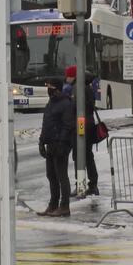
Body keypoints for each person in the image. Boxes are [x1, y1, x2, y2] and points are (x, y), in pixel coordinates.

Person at [37, 78, 74, 217]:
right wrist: (41, 141)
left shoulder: (66, 103)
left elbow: (68, 125)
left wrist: (62, 142)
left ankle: (64, 206)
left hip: (61, 145)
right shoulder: (51, 102)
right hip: (50, 144)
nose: (48, 89)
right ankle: (53, 205)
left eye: (50, 86)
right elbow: (46, 123)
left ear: (57, 88)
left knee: (61, 176)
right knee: (51, 175)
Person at [64, 65, 99, 196]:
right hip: (86, 123)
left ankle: (81, 184)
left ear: (72, 76)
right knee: (87, 155)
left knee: (79, 154)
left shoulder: (77, 88)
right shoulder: (85, 86)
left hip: (80, 124)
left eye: (67, 75)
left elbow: (75, 107)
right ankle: (91, 184)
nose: (65, 78)